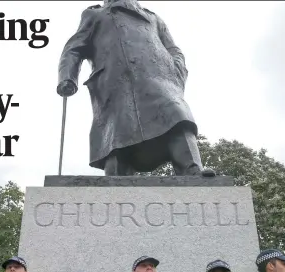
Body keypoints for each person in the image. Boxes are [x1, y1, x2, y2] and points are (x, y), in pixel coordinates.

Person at [56, 0, 215, 177]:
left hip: (160, 79)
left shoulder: (154, 18)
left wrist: (176, 70)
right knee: (118, 136)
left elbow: (173, 49)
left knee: (177, 116)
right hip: (116, 83)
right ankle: (116, 180)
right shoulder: (95, 15)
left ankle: (192, 170)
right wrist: (68, 77)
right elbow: (74, 48)